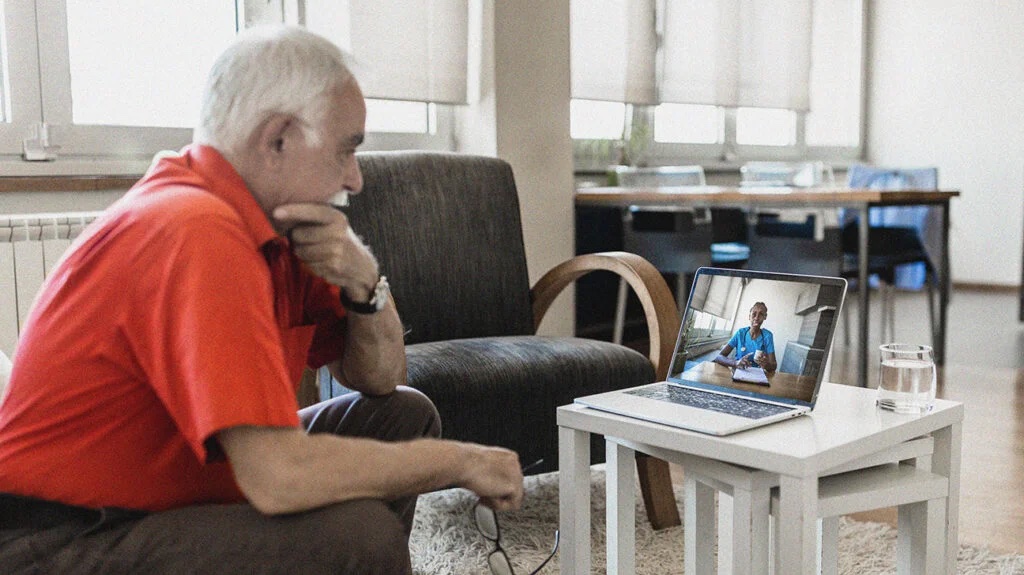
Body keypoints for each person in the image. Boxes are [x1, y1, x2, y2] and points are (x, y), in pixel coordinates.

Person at [0, 26, 522, 574]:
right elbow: (277, 478)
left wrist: (364, 282)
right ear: (277, 139)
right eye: (346, 149)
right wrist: (458, 461)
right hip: (56, 538)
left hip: (165, 494)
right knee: (356, 538)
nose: (356, 178)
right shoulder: (194, 230)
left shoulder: (273, 229)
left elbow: (380, 379)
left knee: (403, 416)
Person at [719, 302, 778, 372]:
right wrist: (736, 363)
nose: (756, 318)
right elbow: (719, 357)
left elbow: (774, 366)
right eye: (754, 314)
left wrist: (766, 365)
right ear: (749, 316)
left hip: (758, 376)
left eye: (761, 314)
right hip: (738, 373)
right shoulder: (740, 333)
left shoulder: (767, 336)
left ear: (765, 317)